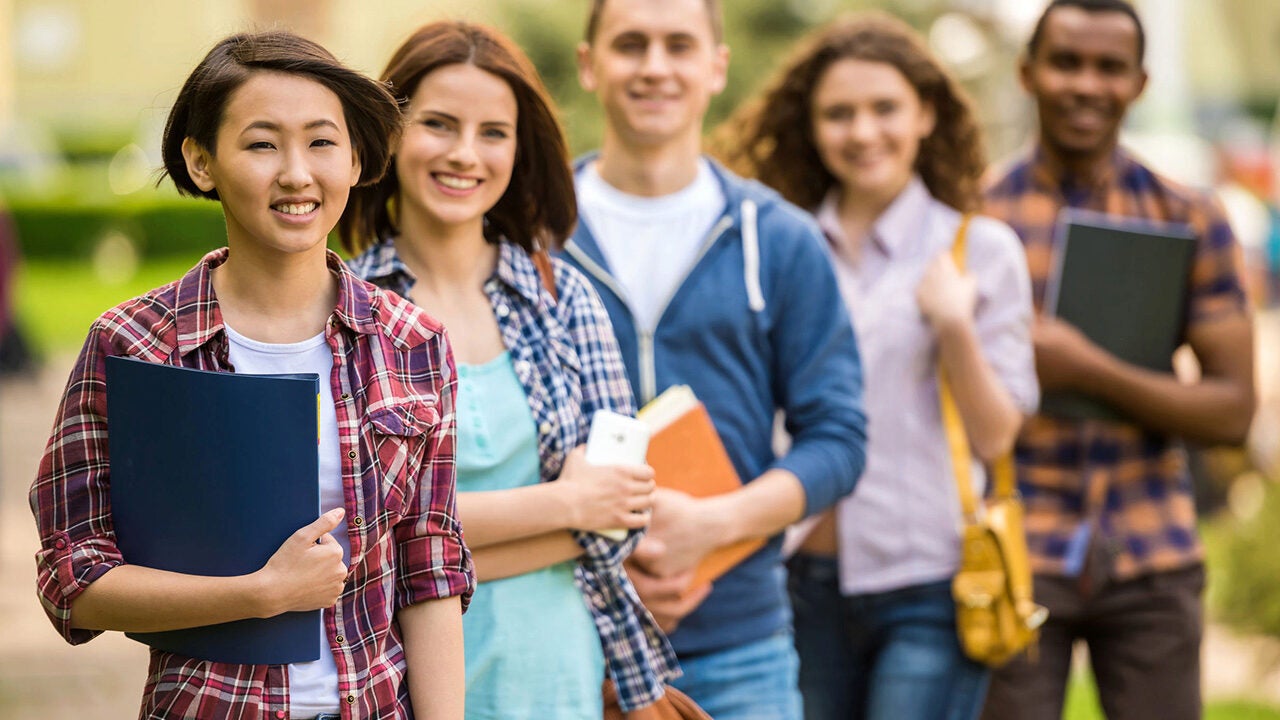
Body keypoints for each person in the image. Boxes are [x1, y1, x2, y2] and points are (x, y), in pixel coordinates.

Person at [29, 31, 473, 719]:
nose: (297, 173)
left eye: (322, 143)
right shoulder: (133, 346)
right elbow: (72, 576)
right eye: (262, 144)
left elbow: (431, 571)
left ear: (356, 158)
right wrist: (262, 593)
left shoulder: (410, 343)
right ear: (201, 162)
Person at [340, 21, 679, 719]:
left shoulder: (564, 299)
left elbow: (622, 516)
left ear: (520, 150)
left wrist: (426, 545)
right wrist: (565, 507)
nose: (466, 154)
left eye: (493, 132)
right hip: (397, 687)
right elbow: (352, 541)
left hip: (560, 679)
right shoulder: (344, 312)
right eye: (438, 123)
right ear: (392, 134)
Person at [712, 12, 1037, 720]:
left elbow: (998, 438)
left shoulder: (980, 251)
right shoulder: (777, 247)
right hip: (795, 574)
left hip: (930, 582)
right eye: (838, 114)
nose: (862, 132)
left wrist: (954, 325)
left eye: (884, 108)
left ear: (925, 112)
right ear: (812, 126)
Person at [566, 1, 868, 717]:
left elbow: (840, 439)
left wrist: (716, 524)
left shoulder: (781, 240)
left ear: (716, 67)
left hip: (741, 650)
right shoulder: (532, 235)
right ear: (589, 65)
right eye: (631, 44)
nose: (655, 66)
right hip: (570, 643)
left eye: (679, 45)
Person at [978, 2, 1257, 718]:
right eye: (1067, 62)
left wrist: (1085, 368)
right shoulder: (972, 217)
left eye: (1110, 68)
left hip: (1150, 551)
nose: (1086, 85)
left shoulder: (1189, 217)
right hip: (1013, 551)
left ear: (1139, 83)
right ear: (1027, 73)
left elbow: (1232, 412)